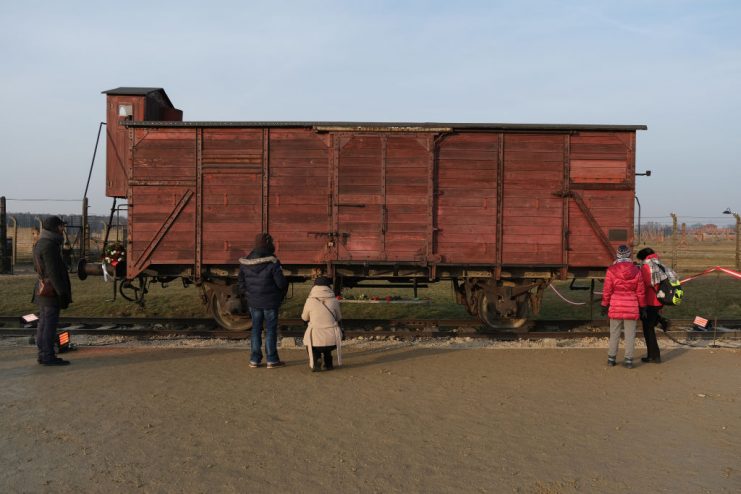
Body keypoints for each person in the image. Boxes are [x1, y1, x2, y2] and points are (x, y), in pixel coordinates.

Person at [238, 233, 288, 368]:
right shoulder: (273, 262)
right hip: (270, 302)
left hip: (253, 302)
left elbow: (241, 283)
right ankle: (272, 359)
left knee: (256, 329)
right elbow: (281, 283)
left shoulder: (245, 263)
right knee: (270, 330)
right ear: (268, 245)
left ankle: (254, 359)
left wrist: (248, 294)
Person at [32, 215, 72, 366]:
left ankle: (43, 354)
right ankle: (48, 356)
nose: (63, 229)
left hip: (43, 288)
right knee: (48, 324)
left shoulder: (41, 243)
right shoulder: (49, 246)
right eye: (61, 226)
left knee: (43, 323)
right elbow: (53, 273)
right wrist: (61, 293)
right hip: (50, 291)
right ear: (55, 228)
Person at [601, 244, 646, 369]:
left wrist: (604, 304)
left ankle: (611, 359)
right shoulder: (636, 270)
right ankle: (629, 360)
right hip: (631, 306)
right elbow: (640, 291)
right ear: (629, 255)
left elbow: (607, 290)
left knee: (614, 333)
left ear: (617, 255)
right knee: (630, 334)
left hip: (616, 305)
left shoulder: (611, 270)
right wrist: (643, 306)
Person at [301, 276, 343, 372]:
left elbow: (304, 318)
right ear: (328, 286)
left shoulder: (309, 300)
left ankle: (317, 360)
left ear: (314, 287)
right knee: (327, 340)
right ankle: (328, 363)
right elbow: (339, 318)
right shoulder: (334, 300)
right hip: (333, 340)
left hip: (315, 340)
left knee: (312, 342)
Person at [636, 247, 668, 363]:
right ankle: (653, 355)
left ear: (643, 257)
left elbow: (643, 286)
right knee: (650, 327)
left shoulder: (646, 267)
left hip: (650, 302)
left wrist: (641, 303)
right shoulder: (660, 265)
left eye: (640, 259)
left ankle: (654, 355)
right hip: (660, 301)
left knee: (648, 330)